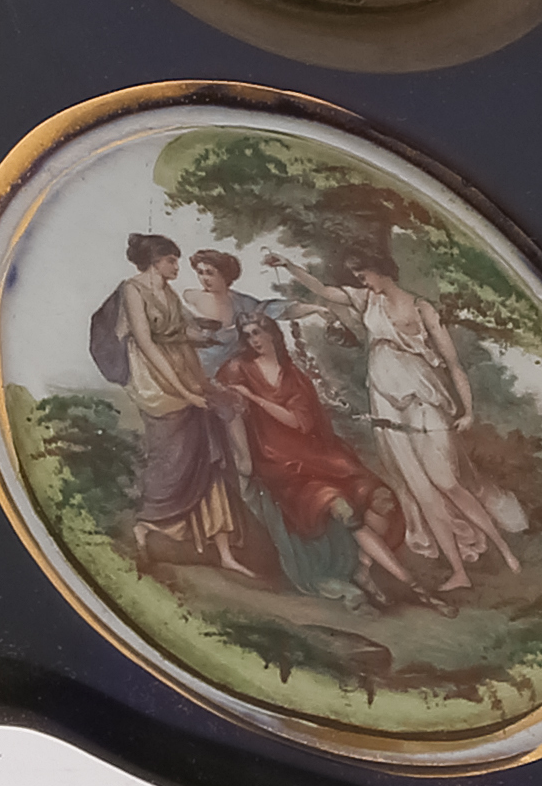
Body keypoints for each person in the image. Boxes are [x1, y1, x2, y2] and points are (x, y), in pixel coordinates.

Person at [267, 250, 522, 592]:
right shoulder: (366, 300)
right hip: (385, 400)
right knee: (421, 491)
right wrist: (288, 266)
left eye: (364, 274)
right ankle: (458, 572)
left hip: (422, 397)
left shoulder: (421, 308)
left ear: (381, 270)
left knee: (446, 482)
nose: (362, 281)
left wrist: (468, 411)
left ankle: (505, 550)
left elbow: (452, 363)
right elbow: (323, 290)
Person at [212, 314, 438, 611]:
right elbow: (220, 405)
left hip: (318, 456)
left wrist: (254, 397)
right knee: (342, 509)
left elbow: (298, 423)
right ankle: (415, 586)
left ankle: (363, 571)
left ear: (272, 334)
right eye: (248, 334)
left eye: (258, 332)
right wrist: (242, 457)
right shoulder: (237, 369)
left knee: (381, 499)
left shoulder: (294, 377)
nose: (254, 340)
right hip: (281, 465)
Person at [112, 234, 246, 573]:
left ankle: (223, 550)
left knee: (208, 446)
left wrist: (209, 339)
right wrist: (185, 393)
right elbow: (148, 344)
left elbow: (179, 333)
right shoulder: (133, 290)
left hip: (184, 368)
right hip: (157, 382)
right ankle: (148, 525)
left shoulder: (168, 293)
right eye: (171, 260)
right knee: (171, 458)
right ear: (155, 260)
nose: (176, 266)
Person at [175, 247, 264, 382]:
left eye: (210, 273)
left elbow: (280, 309)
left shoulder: (244, 303)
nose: (204, 278)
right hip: (197, 371)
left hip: (233, 374)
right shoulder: (189, 299)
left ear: (225, 275)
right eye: (200, 272)